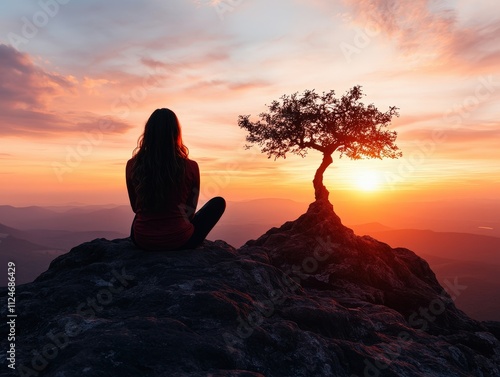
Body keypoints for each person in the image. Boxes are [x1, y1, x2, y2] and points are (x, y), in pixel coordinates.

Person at [126, 108, 225, 251]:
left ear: (148, 133)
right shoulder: (191, 166)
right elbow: (189, 212)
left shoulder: (132, 165)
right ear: (176, 133)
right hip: (181, 242)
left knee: (141, 215)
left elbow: (136, 208)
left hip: (142, 241)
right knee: (218, 203)